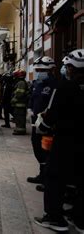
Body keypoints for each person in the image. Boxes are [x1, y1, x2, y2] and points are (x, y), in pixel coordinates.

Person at [34, 50, 84, 232]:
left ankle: (55, 218)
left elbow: (51, 114)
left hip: (65, 140)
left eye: (67, 66)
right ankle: (79, 218)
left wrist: (43, 127)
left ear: (72, 68)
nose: (66, 70)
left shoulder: (64, 88)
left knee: (54, 177)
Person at [26, 56, 57, 191]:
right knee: (37, 148)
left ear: (51, 70)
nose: (39, 72)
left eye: (42, 70)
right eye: (38, 69)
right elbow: (33, 98)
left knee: (47, 151)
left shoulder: (54, 85)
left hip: (47, 124)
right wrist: (30, 109)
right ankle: (41, 174)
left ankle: (47, 179)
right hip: (35, 122)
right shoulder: (37, 84)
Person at [10, 69, 29, 135]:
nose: (14, 77)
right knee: (18, 118)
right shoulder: (21, 82)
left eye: (15, 75)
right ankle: (19, 129)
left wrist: (13, 100)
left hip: (20, 104)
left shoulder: (21, 83)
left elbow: (19, 94)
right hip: (19, 104)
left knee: (20, 118)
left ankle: (21, 130)